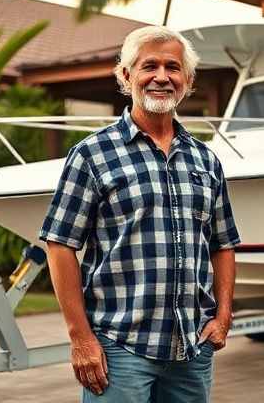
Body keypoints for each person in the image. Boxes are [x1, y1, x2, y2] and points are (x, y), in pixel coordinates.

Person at [39, 26, 240, 402]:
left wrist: (223, 317)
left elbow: (224, 243)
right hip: (119, 349)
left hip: (191, 350)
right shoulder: (91, 155)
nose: (162, 77)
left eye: (173, 67)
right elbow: (60, 246)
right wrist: (80, 338)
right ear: (126, 75)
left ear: (188, 81)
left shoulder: (205, 160)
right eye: (150, 66)